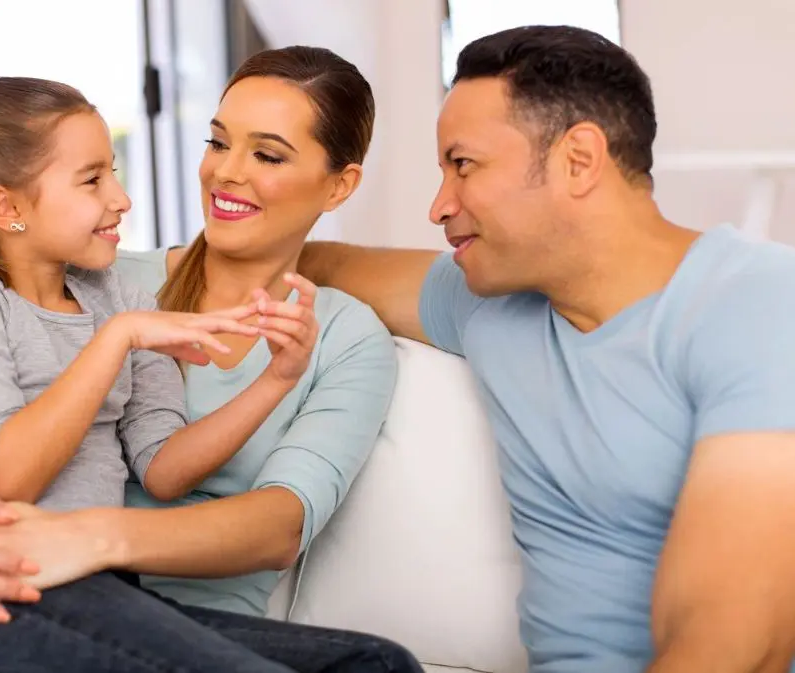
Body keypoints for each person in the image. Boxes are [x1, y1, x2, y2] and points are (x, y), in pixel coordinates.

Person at [0, 47, 420, 673]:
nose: (226, 173)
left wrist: (279, 377)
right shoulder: (93, 278)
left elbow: (208, 493)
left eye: (268, 154)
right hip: (24, 593)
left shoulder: (327, 334)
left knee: (380, 664)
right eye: (218, 142)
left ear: (340, 184)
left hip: (133, 604)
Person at [295, 25, 795, 673]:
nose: (438, 205)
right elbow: (321, 263)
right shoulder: (488, 299)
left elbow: (730, 647)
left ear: (578, 160)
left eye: (463, 164)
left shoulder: (756, 302)